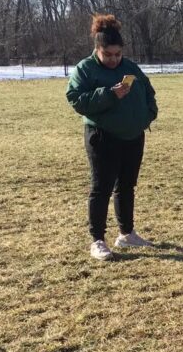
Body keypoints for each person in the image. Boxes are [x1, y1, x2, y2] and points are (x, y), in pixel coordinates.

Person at [66, 14, 158, 261]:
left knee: (126, 186)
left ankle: (127, 233)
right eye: (108, 54)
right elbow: (76, 100)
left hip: (133, 136)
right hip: (103, 138)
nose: (114, 59)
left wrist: (147, 115)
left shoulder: (130, 67)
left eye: (118, 54)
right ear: (98, 49)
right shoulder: (85, 69)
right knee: (101, 188)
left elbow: (148, 91)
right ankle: (97, 240)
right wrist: (109, 94)